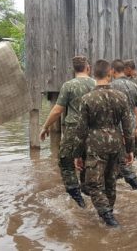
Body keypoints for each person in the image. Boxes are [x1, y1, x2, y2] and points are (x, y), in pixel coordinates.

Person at [74, 59, 134, 227]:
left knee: (93, 184)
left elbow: (80, 130)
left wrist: (77, 155)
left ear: (93, 74)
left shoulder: (86, 99)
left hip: (95, 144)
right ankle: (108, 213)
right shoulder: (121, 97)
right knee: (110, 181)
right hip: (116, 143)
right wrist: (130, 150)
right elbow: (128, 128)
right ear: (110, 74)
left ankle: (108, 218)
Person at [39, 56, 94, 208]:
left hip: (73, 130)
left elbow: (57, 110)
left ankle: (76, 196)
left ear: (74, 69)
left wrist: (45, 127)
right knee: (88, 160)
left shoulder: (68, 86)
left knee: (66, 162)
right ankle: (87, 190)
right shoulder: (96, 84)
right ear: (88, 68)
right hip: (92, 131)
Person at [109, 59, 137, 190]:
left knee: (123, 160)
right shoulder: (134, 86)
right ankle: (119, 181)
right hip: (131, 127)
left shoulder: (111, 87)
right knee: (125, 157)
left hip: (116, 129)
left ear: (113, 71)